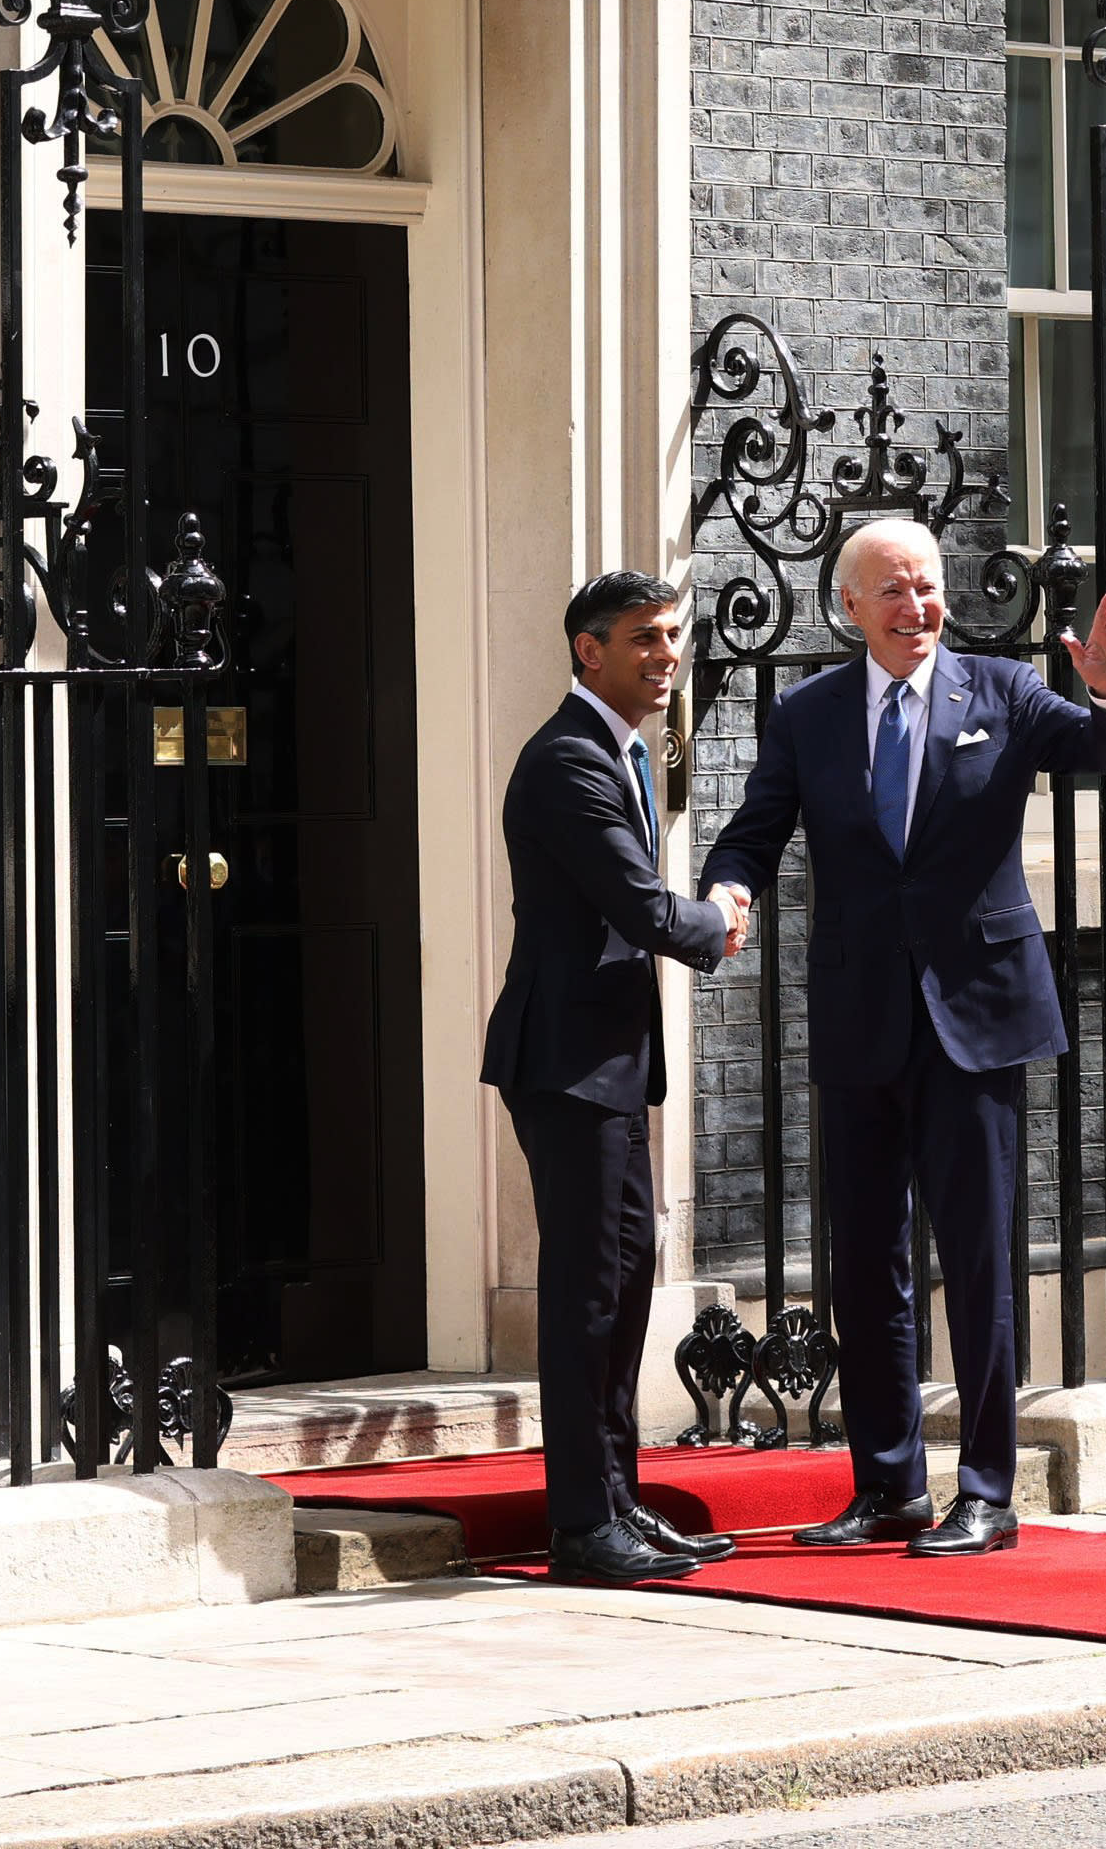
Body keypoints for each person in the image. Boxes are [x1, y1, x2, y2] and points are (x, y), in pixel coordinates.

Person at [700, 517, 1106, 1556]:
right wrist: (728, 891)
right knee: (862, 1263)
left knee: (977, 1255)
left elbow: (1103, 750)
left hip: (976, 1018)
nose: (917, 607)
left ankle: (986, 1492)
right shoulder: (808, 714)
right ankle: (888, 1484)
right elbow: (756, 826)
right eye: (894, 591)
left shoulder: (999, 691)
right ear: (849, 605)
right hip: (861, 1016)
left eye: (929, 587)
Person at [482, 570, 756, 1584]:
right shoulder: (566, 760)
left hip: (607, 1063)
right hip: (565, 1061)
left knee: (625, 1283)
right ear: (587, 649)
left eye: (673, 635)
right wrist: (717, 922)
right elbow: (641, 909)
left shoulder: (623, 750)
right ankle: (580, 1526)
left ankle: (620, 1504)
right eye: (644, 637)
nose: (667, 653)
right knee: (585, 1295)